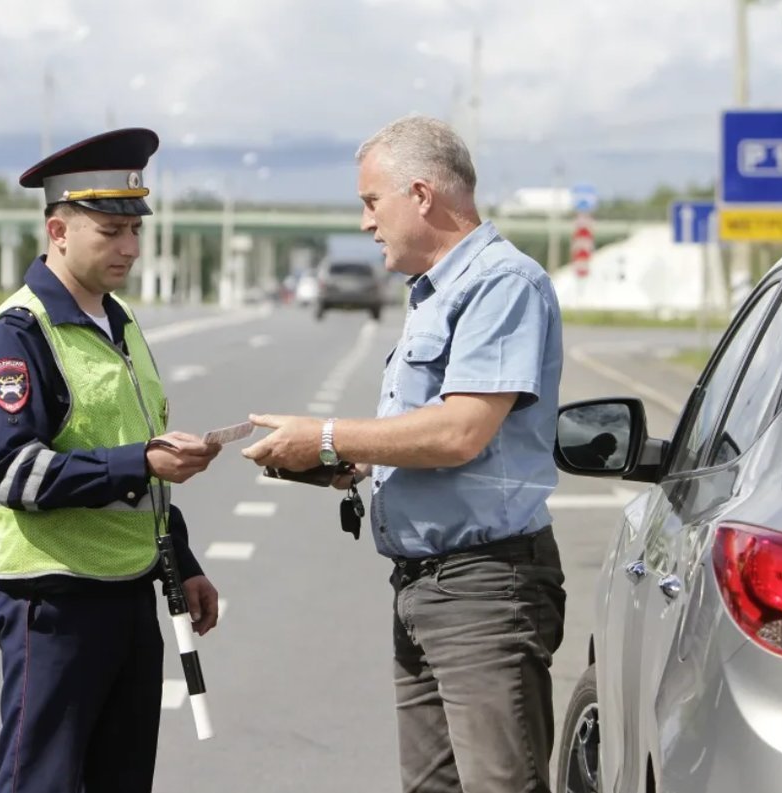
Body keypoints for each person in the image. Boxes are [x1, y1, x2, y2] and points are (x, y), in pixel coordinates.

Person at [242, 115, 566, 793]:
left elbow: (460, 432)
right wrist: (343, 463)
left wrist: (329, 435)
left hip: (483, 589)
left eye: (370, 202)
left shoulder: (500, 283)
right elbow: (430, 435)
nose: (365, 223)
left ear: (420, 194)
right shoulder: (435, 293)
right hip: (424, 585)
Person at [0, 128, 222, 793]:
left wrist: (182, 559)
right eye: (111, 230)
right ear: (58, 228)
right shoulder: (18, 333)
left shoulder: (122, 320)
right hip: (55, 599)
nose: (131, 247)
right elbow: (15, 474)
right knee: (40, 783)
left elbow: (138, 450)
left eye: (134, 229)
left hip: (130, 588)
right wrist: (141, 461)